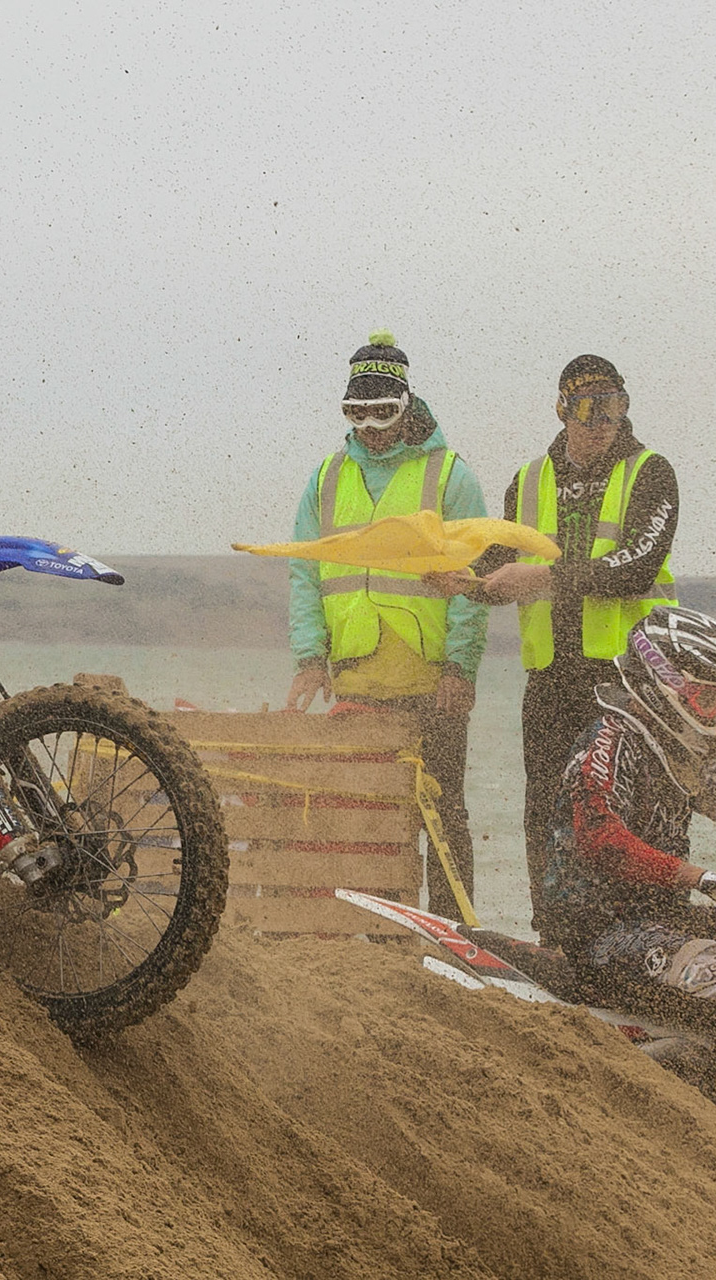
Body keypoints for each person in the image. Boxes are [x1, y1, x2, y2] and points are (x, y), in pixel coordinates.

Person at [445, 356, 678, 929]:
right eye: (586, 408)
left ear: (625, 407)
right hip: (550, 681)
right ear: (561, 411)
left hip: (632, 684)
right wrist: (457, 579)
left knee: (633, 812)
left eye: (613, 406)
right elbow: (495, 566)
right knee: (547, 811)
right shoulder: (526, 482)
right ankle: (554, 936)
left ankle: (648, 934)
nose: (601, 422)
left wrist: (544, 578)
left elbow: (637, 567)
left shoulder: (650, 472)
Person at [284, 333, 490, 919]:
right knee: (364, 816)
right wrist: (309, 658)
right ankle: (379, 932)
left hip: (433, 684)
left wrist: (460, 667)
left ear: (407, 406)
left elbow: (472, 580)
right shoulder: (325, 479)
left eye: (384, 412)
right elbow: (305, 573)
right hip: (355, 682)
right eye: (357, 413)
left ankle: (455, 932)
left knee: (445, 814)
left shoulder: (450, 475)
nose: (370, 426)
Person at [538, 607, 716, 1133]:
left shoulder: (679, 749)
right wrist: (700, 877)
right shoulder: (610, 739)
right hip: (600, 933)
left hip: (658, 923)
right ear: (663, 682)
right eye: (705, 695)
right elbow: (600, 838)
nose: (712, 709)